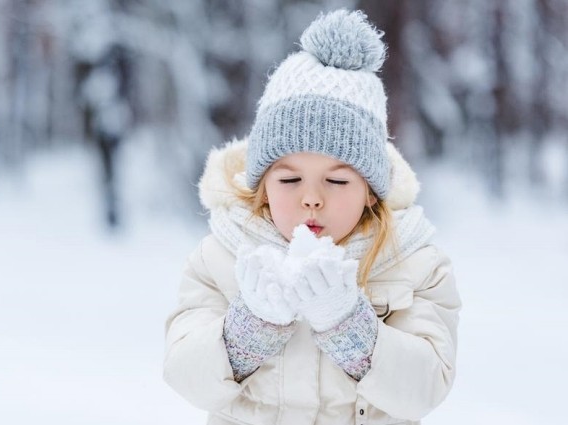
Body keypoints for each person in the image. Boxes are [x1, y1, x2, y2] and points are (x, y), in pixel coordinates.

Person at [163, 9, 461, 425]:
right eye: (290, 180)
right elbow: (184, 375)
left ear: (371, 192)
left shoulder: (415, 263)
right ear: (263, 185)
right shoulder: (221, 256)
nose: (312, 199)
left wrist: (349, 325)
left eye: (336, 182)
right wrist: (249, 329)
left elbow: (427, 387)